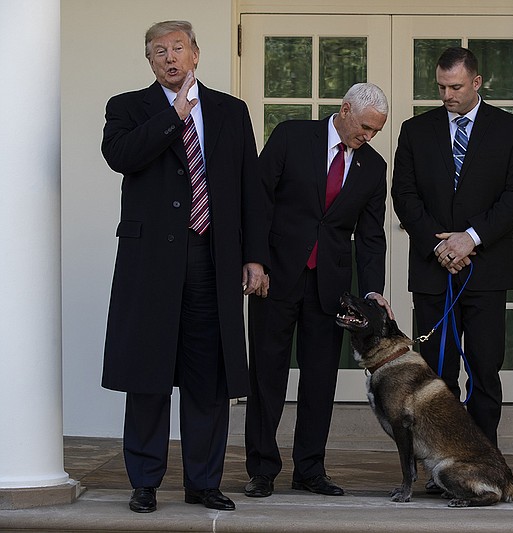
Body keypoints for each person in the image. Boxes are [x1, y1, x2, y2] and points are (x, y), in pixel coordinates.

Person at [101, 20, 267, 513]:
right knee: (149, 374)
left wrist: (254, 256)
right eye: (158, 52)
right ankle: (145, 482)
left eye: (178, 48)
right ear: (149, 61)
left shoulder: (230, 112)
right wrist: (173, 117)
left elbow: (249, 189)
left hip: (213, 260)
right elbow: (120, 156)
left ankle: (203, 481)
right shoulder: (128, 107)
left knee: (208, 378)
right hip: (150, 262)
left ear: (196, 54)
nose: (170, 58)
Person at [244, 83, 392, 498]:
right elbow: (257, 198)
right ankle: (262, 470)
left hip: (329, 286)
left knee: (319, 379)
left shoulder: (374, 167)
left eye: (376, 131)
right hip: (274, 278)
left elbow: (370, 237)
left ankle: (310, 469)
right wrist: (255, 260)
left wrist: (373, 291)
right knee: (267, 376)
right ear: (344, 110)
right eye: (365, 127)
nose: (368, 137)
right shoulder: (292, 136)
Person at [391, 47, 513, 454]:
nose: (447, 95)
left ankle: (483, 461)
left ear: (476, 82)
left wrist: (469, 238)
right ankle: (440, 460)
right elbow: (403, 194)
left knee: (485, 370)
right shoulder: (415, 130)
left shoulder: (510, 130)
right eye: (441, 87)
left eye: (455, 86)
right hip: (432, 271)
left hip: (485, 271)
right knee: (436, 374)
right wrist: (439, 245)